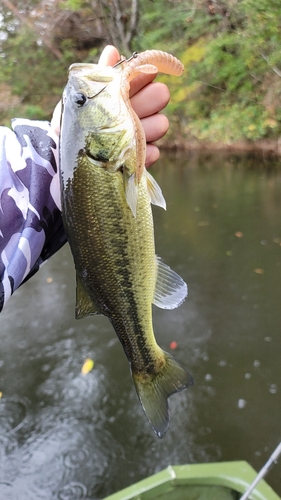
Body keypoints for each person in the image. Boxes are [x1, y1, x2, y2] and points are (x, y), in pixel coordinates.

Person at [0, 45, 170, 312]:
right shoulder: (104, 156)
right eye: (80, 100)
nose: (82, 93)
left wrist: (53, 155)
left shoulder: (103, 155)